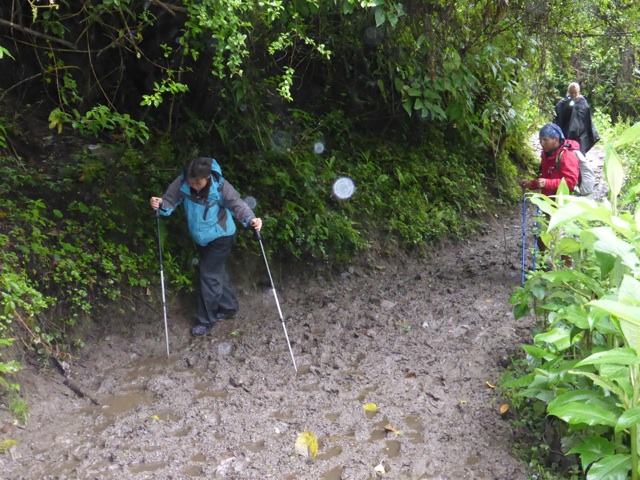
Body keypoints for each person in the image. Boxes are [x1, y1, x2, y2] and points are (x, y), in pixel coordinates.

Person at [150, 157, 262, 336]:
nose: (194, 186)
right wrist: (160, 204)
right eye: (191, 182)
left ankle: (206, 320)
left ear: (207, 177)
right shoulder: (181, 182)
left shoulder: (221, 186)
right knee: (215, 272)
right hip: (201, 239)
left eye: (199, 182)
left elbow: (237, 205)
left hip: (222, 236)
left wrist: (251, 219)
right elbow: (169, 202)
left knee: (208, 274)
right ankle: (229, 308)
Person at [521, 123, 580, 266]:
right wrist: (532, 184)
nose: (542, 143)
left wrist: (547, 183)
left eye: (545, 140)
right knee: (542, 235)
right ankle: (542, 265)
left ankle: (567, 270)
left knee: (562, 237)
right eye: (540, 140)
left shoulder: (566, 156)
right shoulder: (547, 155)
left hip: (562, 204)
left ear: (556, 139)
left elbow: (571, 182)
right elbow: (546, 177)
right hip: (548, 203)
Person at [553, 82, 600, 156]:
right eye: (571, 93)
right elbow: (558, 117)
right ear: (568, 92)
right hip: (566, 133)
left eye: (575, 93)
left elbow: (586, 119)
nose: (573, 95)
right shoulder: (563, 102)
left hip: (580, 134)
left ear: (578, 92)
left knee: (579, 154)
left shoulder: (582, 102)